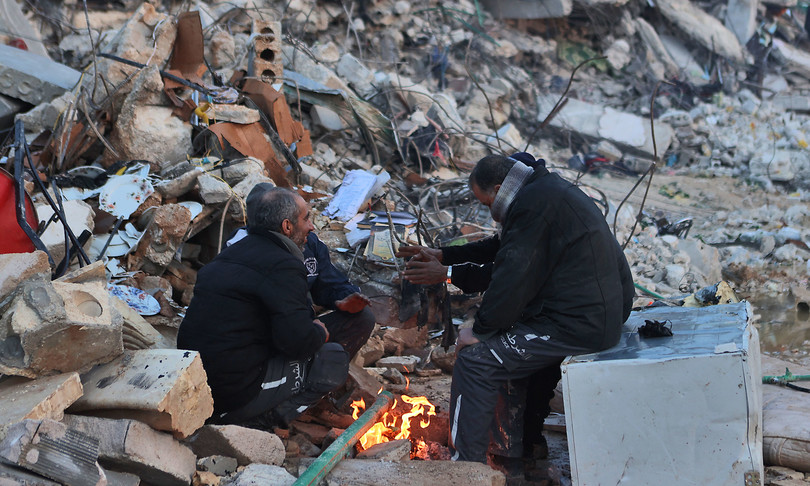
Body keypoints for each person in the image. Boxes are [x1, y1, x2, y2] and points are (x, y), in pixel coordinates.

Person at [397, 153, 634, 478]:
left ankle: (468, 470)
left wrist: (479, 329)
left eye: (485, 202)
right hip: (596, 313)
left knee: (476, 360)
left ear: (497, 188)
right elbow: (502, 248)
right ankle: (520, 455)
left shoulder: (534, 206)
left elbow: (511, 274)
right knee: (512, 353)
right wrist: (446, 257)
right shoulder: (543, 192)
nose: (487, 211)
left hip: (581, 322)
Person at [177, 186, 373, 430]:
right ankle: (267, 420)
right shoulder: (283, 265)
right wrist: (319, 332)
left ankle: (285, 403)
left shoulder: (231, 255)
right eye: (306, 218)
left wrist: (331, 307)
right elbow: (297, 343)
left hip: (202, 381)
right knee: (330, 358)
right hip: (233, 394)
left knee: (352, 322)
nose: (312, 226)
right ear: (287, 227)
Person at [227, 182, 375, 360]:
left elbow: (328, 280)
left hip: (298, 325)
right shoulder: (240, 249)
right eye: (306, 219)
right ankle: (290, 378)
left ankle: (320, 373)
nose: (311, 226)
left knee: (362, 318)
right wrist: (307, 329)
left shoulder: (307, 242)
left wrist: (344, 298)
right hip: (262, 335)